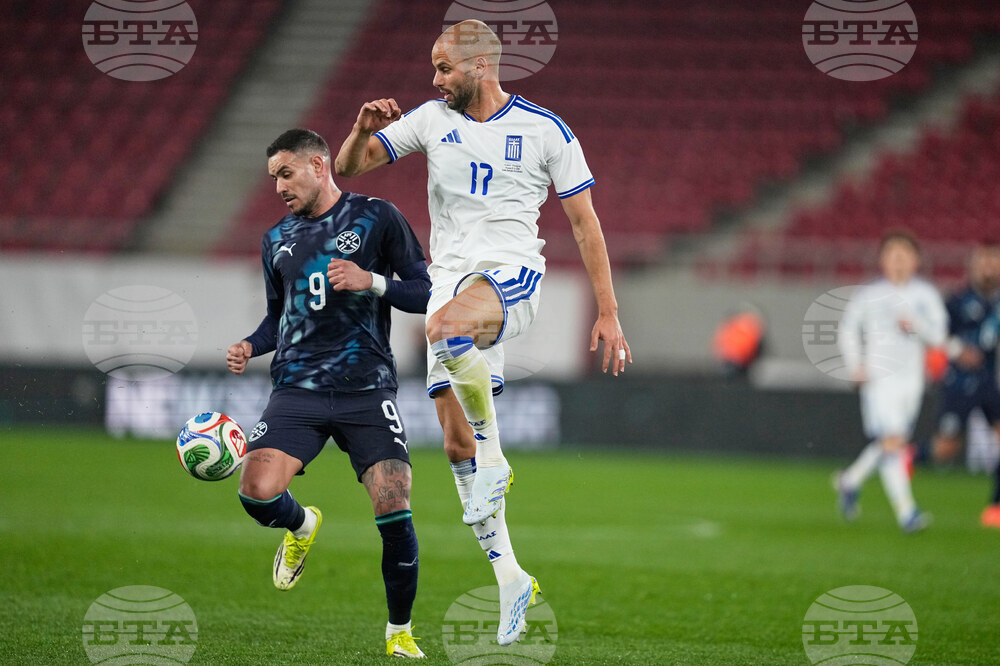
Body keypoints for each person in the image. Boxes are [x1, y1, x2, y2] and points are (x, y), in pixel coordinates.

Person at [334, 19, 631, 645]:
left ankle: (498, 458)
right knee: (456, 446)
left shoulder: (547, 130)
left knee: (442, 330)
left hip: (511, 275)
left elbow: (585, 224)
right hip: (451, 284)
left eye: (444, 68)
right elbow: (350, 168)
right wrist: (363, 129)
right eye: (433, 68)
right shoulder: (429, 120)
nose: (435, 79)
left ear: (480, 66)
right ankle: (510, 578)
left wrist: (607, 310)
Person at [226, 128, 430, 659]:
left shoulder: (378, 217)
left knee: (395, 507)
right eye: (273, 177)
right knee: (256, 493)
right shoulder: (276, 239)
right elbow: (279, 317)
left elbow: (428, 291)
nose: (278, 187)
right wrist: (252, 344)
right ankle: (301, 524)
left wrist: (374, 282)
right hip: (297, 388)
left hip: (367, 389)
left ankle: (399, 633)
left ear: (320, 166)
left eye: (286, 174)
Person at [835, 230, 948, 532]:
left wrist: (917, 326)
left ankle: (850, 481)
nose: (898, 260)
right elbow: (847, 329)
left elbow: (939, 336)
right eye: (892, 254)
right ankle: (907, 513)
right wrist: (854, 366)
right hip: (878, 379)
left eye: (904, 254)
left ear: (916, 260)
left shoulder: (926, 295)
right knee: (894, 441)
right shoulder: (869, 295)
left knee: (891, 443)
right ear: (883, 260)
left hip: (911, 380)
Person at [931, 241, 1000, 528]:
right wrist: (959, 351)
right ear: (973, 265)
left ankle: (995, 505)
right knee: (944, 451)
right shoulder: (956, 301)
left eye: (994, 261)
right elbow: (936, 337)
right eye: (984, 261)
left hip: (991, 383)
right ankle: (911, 456)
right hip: (959, 384)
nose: (989, 267)